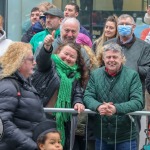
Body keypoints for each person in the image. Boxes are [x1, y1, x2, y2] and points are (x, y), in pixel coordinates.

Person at [83, 43, 144, 150]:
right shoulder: (95, 75)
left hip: (125, 136)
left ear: (122, 58)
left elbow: (138, 101)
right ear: (103, 58)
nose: (111, 60)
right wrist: (98, 106)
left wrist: (116, 109)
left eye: (115, 57)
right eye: (108, 57)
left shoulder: (132, 75)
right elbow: (88, 96)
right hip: (102, 134)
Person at [32, 41, 86, 149]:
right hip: (41, 116)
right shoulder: (49, 65)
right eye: (65, 53)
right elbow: (42, 60)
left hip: (61, 120)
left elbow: (77, 93)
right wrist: (47, 47)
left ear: (76, 60)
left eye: (72, 56)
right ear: (58, 52)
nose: (67, 58)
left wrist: (78, 102)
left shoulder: (75, 75)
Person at [0, 42, 48, 150]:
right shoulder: (9, 86)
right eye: (31, 59)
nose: (35, 63)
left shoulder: (22, 83)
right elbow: (3, 123)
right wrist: (30, 145)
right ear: (19, 61)